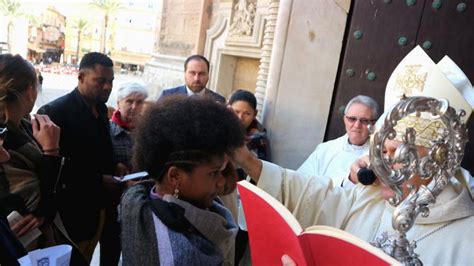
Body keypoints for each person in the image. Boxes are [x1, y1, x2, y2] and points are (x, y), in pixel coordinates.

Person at [234, 49, 474, 265]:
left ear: (437, 161)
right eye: (380, 151)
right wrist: (251, 163)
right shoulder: (371, 196)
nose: (381, 166)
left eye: (397, 153)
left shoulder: (466, 243)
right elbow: (322, 199)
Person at [119, 95, 245, 265]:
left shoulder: (136, 198)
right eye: (214, 173)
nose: (221, 183)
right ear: (175, 177)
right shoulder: (185, 257)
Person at [0, 54, 87, 264]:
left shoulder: (27, 128)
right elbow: (35, 204)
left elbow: (59, 191)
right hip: (26, 250)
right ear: (31, 91)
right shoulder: (8, 139)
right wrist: (50, 152)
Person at [37, 52, 115, 262]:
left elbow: (102, 151)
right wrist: (98, 180)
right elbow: (52, 168)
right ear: (81, 77)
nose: (107, 87)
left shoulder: (101, 110)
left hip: (100, 209)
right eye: (100, 81)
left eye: (110, 81)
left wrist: (116, 167)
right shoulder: (55, 112)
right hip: (70, 215)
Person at [100, 82, 148, 266]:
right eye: (129, 101)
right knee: (110, 254)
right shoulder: (106, 131)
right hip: (111, 205)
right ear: (119, 102)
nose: (134, 107)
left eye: (139, 102)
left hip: (140, 204)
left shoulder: (147, 134)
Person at [297, 95, 379, 188]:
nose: (357, 125)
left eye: (364, 121)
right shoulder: (325, 149)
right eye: (352, 119)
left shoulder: (378, 154)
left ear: (373, 124)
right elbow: (301, 181)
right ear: (345, 119)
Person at [159, 55, 226, 103]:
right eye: (192, 73)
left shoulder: (218, 101)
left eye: (201, 74)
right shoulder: (168, 96)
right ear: (185, 74)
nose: (196, 78)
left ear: (208, 75)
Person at [228, 89, 271, 163]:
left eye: (247, 113)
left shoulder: (259, 138)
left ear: (255, 114)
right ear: (228, 109)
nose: (240, 118)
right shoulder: (218, 129)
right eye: (236, 112)